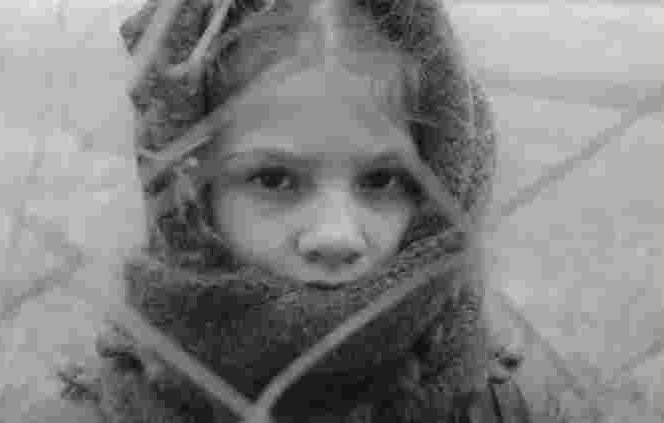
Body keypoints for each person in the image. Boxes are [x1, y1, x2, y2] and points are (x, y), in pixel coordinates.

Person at [60, 0, 535, 421]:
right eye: (274, 179)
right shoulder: (110, 408)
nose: (336, 236)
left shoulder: (491, 403)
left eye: (381, 180)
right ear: (193, 199)